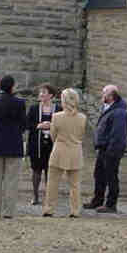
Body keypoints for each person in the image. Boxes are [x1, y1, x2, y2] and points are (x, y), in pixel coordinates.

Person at [83, 84, 127, 214]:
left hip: (111, 150)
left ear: (111, 96)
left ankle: (111, 204)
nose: (101, 96)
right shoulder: (109, 108)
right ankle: (97, 200)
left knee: (111, 177)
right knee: (99, 175)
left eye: (104, 93)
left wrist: (111, 150)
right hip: (103, 148)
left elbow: (118, 134)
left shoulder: (119, 112)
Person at [0, 75, 27, 219]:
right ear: (12, 87)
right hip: (13, 144)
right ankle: (9, 211)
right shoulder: (20, 103)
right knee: (11, 180)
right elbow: (23, 124)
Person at [42, 88, 86, 218]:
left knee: (52, 182)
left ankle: (49, 208)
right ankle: (75, 210)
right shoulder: (82, 118)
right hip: (75, 152)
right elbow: (81, 135)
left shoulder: (56, 117)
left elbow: (53, 135)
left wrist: (61, 142)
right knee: (75, 185)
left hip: (59, 151)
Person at [26, 83, 58, 205]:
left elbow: (61, 126)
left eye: (44, 92)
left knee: (49, 171)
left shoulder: (58, 109)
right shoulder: (34, 108)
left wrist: (52, 126)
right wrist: (38, 126)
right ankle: (35, 196)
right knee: (36, 170)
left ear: (51, 95)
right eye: (40, 92)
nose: (41, 95)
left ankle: (48, 197)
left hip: (52, 144)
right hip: (36, 144)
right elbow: (27, 124)